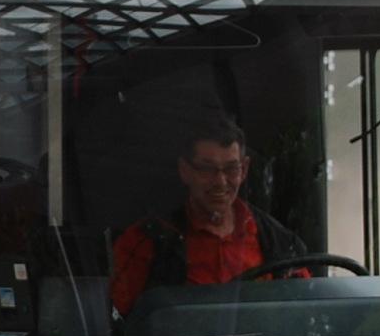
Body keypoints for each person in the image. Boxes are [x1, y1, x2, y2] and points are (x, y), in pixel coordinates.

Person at [110, 112, 309, 322]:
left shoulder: (280, 243)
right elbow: (118, 324)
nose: (221, 182)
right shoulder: (145, 242)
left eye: (231, 169)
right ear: (185, 170)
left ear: (244, 170)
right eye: (207, 169)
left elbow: (304, 314)